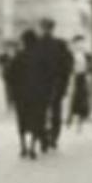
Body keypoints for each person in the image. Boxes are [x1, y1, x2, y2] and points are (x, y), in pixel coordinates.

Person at [31, 17, 74, 151]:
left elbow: (30, 65)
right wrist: (65, 82)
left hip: (41, 84)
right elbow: (68, 65)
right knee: (55, 111)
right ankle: (54, 138)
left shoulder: (36, 44)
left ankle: (43, 138)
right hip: (56, 83)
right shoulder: (60, 44)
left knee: (40, 112)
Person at [4, 29, 48, 158]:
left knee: (22, 120)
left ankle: (23, 146)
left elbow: (9, 75)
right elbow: (47, 76)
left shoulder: (18, 57)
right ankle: (33, 147)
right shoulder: (41, 57)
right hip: (38, 94)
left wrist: (13, 92)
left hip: (21, 95)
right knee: (36, 120)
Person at [68, 34, 92, 128]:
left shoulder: (88, 55)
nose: (80, 45)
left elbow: (91, 67)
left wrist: (89, 74)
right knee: (72, 96)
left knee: (82, 97)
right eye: (78, 43)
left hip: (83, 77)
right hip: (73, 76)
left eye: (82, 43)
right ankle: (70, 118)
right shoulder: (70, 55)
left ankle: (81, 118)